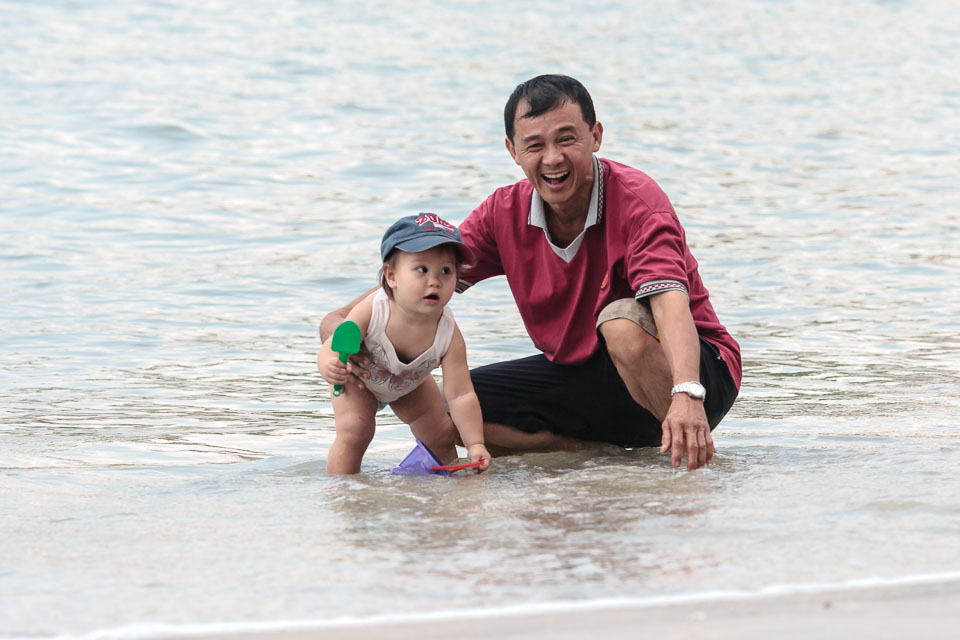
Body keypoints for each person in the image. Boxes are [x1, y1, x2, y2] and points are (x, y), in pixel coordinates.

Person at [320, 74, 740, 471]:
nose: (552, 158)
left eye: (567, 139)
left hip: (696, 372)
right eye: (535, 145)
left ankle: (689, 455)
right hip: (585, 377)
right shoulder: (502, 212)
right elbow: (415, 285)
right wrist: (339, 329)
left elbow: (669, 304)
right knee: (448, 408)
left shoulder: (638, 201)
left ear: (596, 136)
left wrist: (688, 391)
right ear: (513, 151)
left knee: (620, 324)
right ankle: (594, 457)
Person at [318, 214, 492, 475]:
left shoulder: (449, 333)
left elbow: (460, 394)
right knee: (356, 430)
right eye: (422, 269)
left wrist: (475, 443)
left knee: (440, 431)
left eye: (446, 271)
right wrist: (329, 365)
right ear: (391, 276)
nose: (435, 280)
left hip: (409, 383)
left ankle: (445, 482)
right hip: (359, 380)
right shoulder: (374, 308)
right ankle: (343, 487)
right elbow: (337, 342)